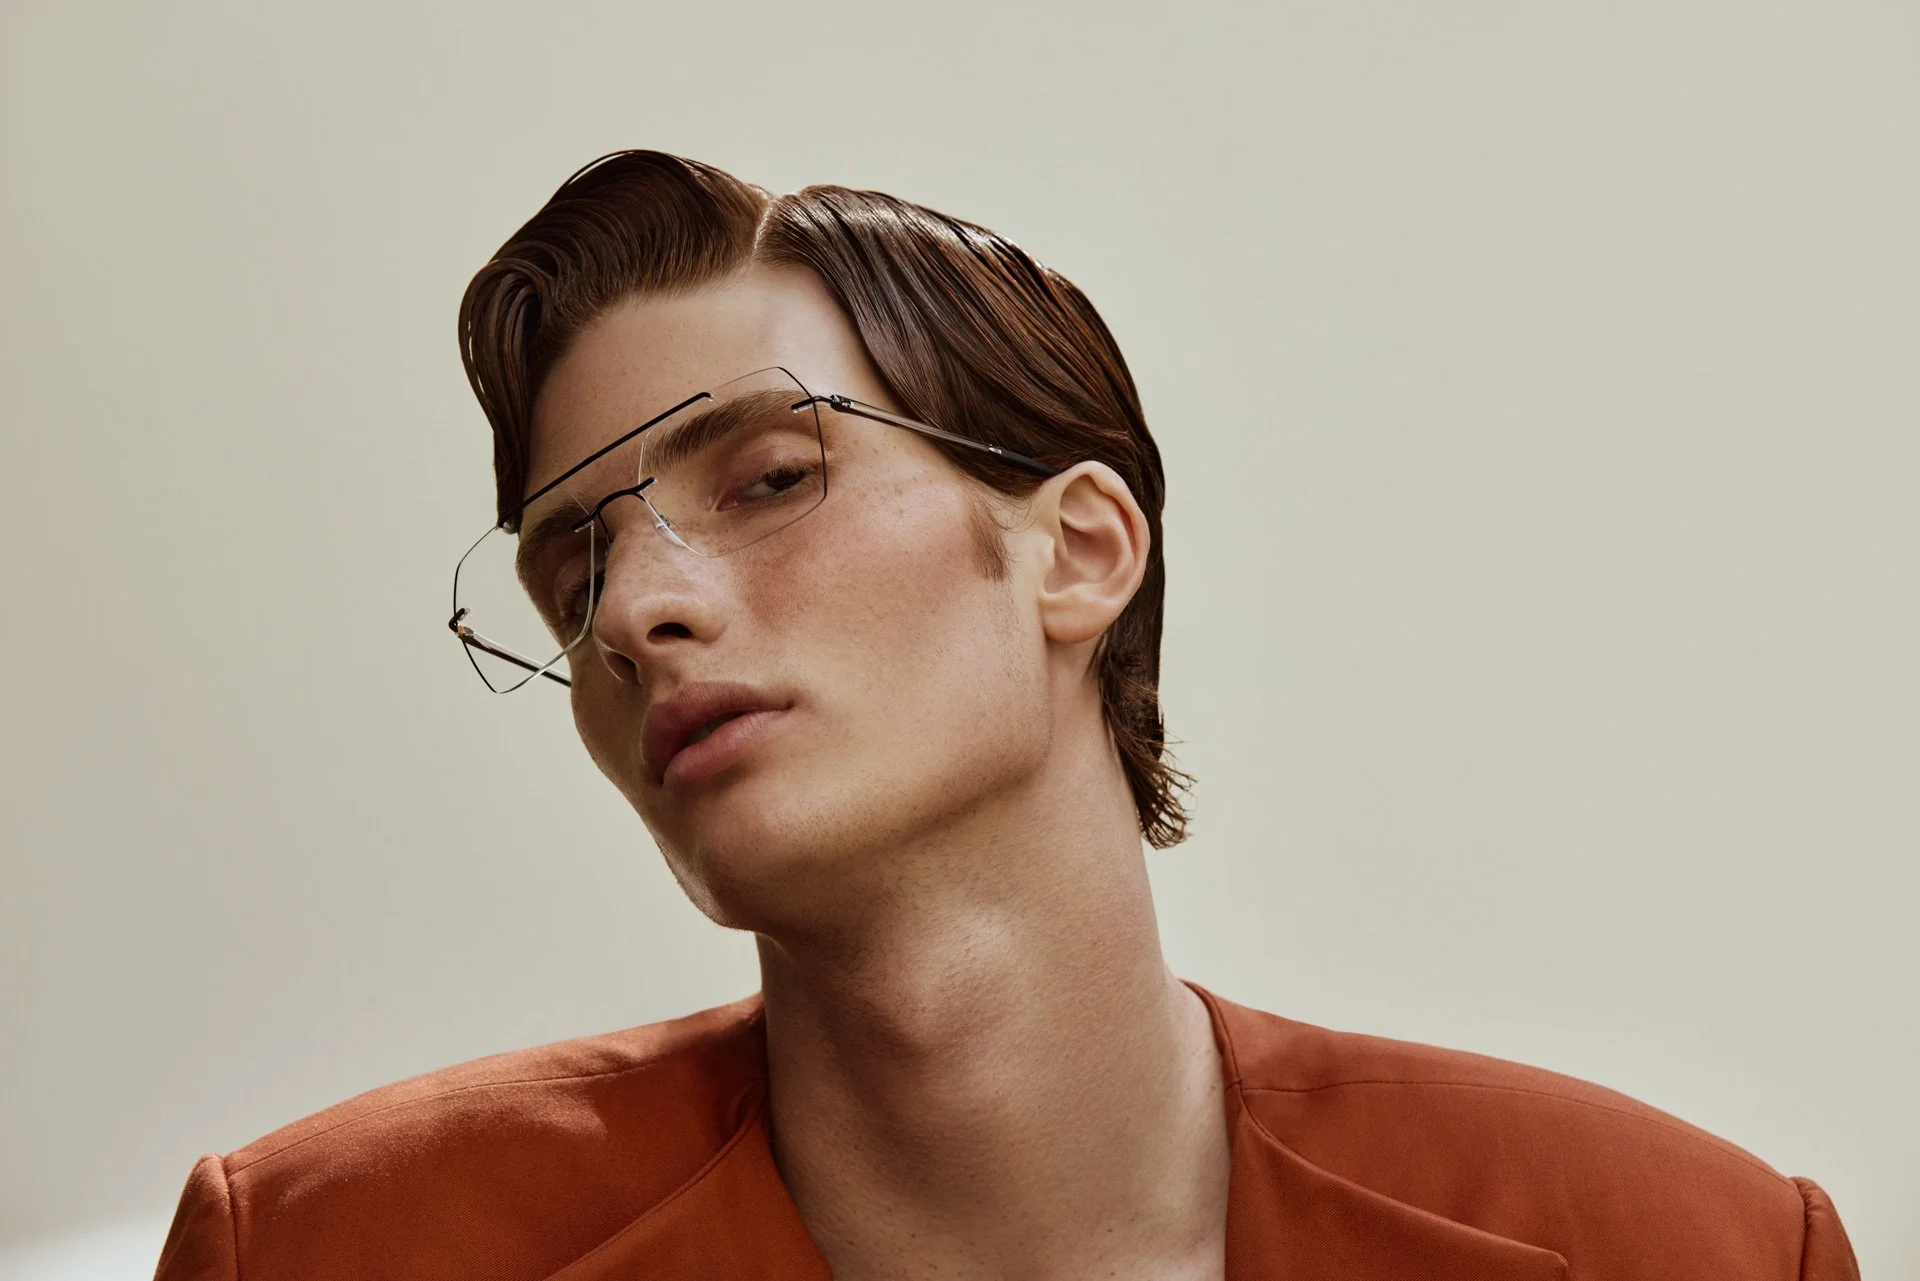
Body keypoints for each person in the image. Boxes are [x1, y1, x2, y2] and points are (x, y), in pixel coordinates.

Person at [154, 150, 1859, 1281]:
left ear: (1080, 550)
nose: (636, 613)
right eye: (572, 570)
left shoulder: (1691, 1248)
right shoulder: (331, 1249)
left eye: (768, 476)